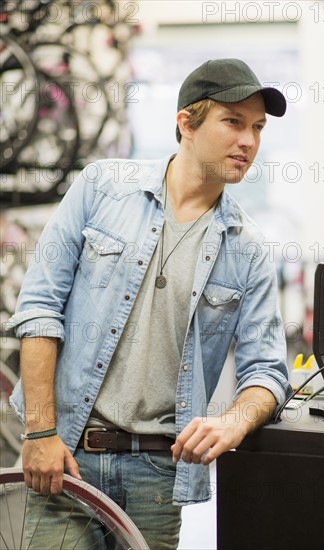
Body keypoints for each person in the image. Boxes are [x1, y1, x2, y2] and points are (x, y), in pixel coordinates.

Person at [6, 58, 291, 549]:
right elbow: (38, 310)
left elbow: (268, 371)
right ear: (186, 122)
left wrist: (235, 418)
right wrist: (39, 432)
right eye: (233, 122)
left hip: (159, 474)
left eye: (258, 128)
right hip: (67, 452)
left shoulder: (249, 248)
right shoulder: (101, 187)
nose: (249, 142)